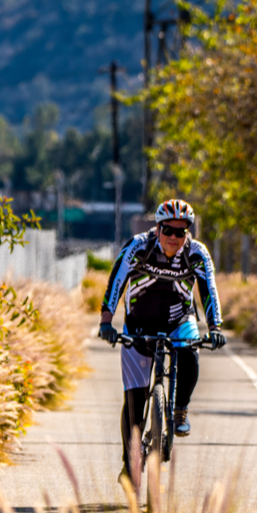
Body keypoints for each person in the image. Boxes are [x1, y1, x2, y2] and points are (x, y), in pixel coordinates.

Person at [97, 199, 226, 482]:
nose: (174, 238)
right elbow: (115, 282)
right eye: (168, 230)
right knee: (135, 399)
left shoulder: (197, 254)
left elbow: (209, 291)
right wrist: (106, 322)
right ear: (158, 228)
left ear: (188, 233)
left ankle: (180, 412)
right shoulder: (137, 247)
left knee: (191, 351)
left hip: (179, 319)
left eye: (181, 232)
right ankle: (130, 464)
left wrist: (215, 326)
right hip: (138, 323)